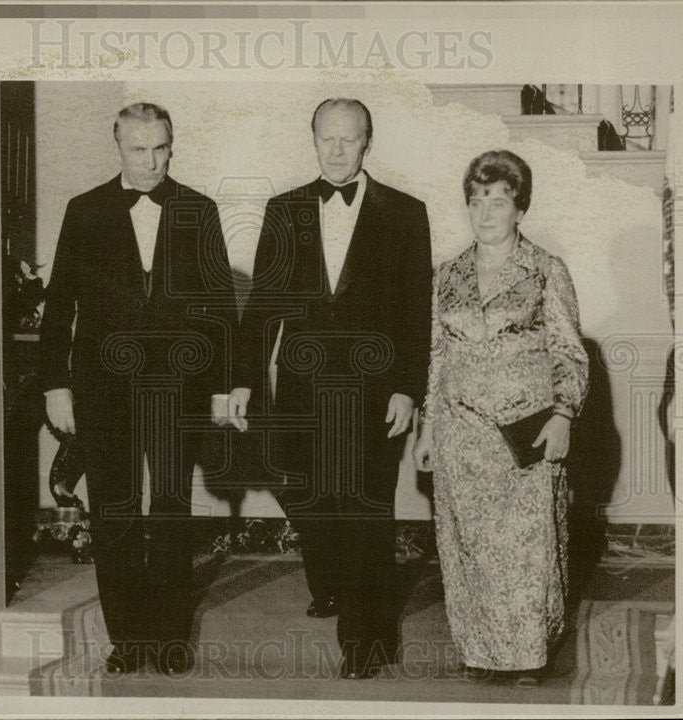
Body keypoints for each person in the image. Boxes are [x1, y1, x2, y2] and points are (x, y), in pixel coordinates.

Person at [227, 98, 433, 679]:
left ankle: (365, 641)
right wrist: (245, 379)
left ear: (368, 141)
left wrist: (407, 389)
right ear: (313, 139)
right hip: (302, 388)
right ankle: (332, 585)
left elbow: (417, 311)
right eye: (327, 139)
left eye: (350, 139)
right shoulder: (285, 209)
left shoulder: (405, 212)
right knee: (316, 499)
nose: (338, 150)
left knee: (367, 507)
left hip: (375, 392)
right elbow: (263, 306)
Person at [40, 103, 235, 676]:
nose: (150, 162)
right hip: (102, 388)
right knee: (115, 511)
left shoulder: (199, 210)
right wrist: (56, 384)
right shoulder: (85, 210)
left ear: (173, 145)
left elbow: (220, 309)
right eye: (138, 150)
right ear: (118, 147)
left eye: (161, 149)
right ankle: (128, 639)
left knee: (172, 508)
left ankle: (172, 637)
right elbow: (60, 310)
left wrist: (222, 389)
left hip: (177, 386)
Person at [413, 149, 588, 684]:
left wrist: (562, 416)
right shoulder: (447, 275)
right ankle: (484, 652)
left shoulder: (545, 270)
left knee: (529, 548)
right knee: (469, 546)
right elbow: (437, 355)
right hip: (460, 432)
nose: (485, 211)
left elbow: (570, 352)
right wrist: (428, 427)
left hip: (526, 431)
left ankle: (530, 654)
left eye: (498, 199)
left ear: (520, 206)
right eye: (476, 199)